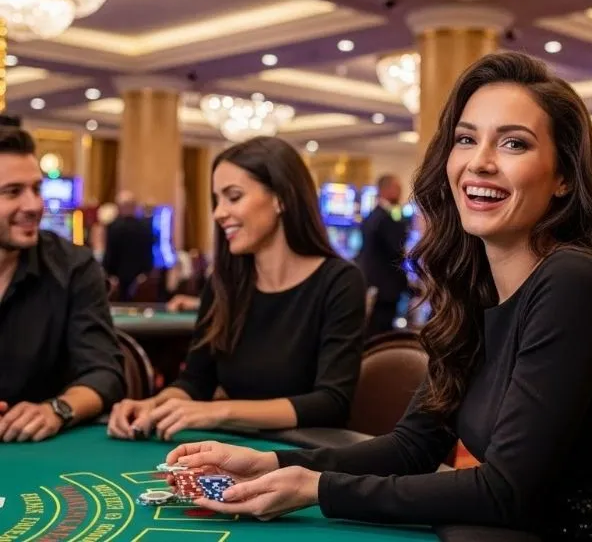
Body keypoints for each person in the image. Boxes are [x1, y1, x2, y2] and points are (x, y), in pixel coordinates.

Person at [165, 52, 592, 541]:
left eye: (513, 143)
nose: (479, 162)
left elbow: (506, 490)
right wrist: (277, 465)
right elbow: (414, 446)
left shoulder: (573, 280)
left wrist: (318, 490)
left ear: (564, 180)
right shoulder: (474, 294)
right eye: (466, 139)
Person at [107, 137, 366, 441]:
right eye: (217, 200)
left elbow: (330, 403)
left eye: (233, 196)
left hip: (308, 459)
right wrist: (152, 405)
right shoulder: (225, 284)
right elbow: (195, 382)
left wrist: (219, 411)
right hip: (237, 448)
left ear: (281, 198)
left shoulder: (340, 281)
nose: (218, 213)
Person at [0, 127, 125, 442]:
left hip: (37, 451)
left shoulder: (75, 268)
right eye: (12, 192)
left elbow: (104, 374)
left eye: (36, 189)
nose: (33, 205)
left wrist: (56, 410)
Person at [356, 174, 409, 337]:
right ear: (386, 190)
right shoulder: (384, 218)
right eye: (398, 188)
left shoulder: (372, 215)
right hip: (385, 286)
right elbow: (396, 247)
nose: (400, 192)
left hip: (375, 283)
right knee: (381, 333)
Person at [102, 190, 154, 301]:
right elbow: (149, 255)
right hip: (140, 279)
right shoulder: (145, 227)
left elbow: (110, 254)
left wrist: (109, 273)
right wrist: (146, 273)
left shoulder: (113, 227)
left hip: (118, 279)